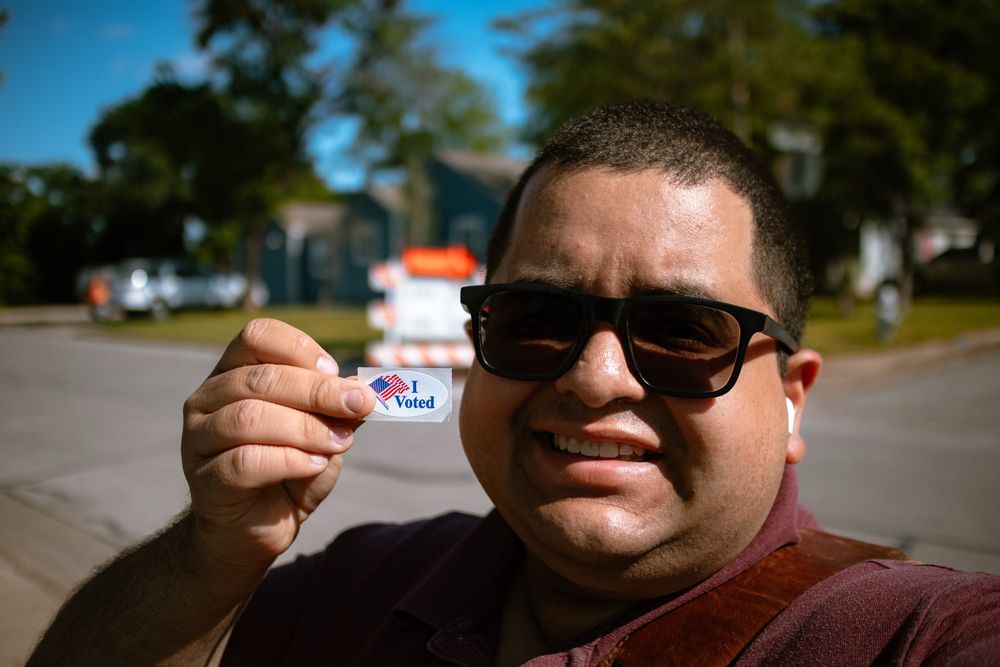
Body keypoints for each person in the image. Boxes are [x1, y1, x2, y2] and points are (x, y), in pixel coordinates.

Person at [29, 102, 999, 666]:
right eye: (537, 318)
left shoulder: (909, 635)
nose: (594, 376)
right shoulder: (357, 588)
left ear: (791, 395)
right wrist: (211, 554)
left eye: (681, 329)